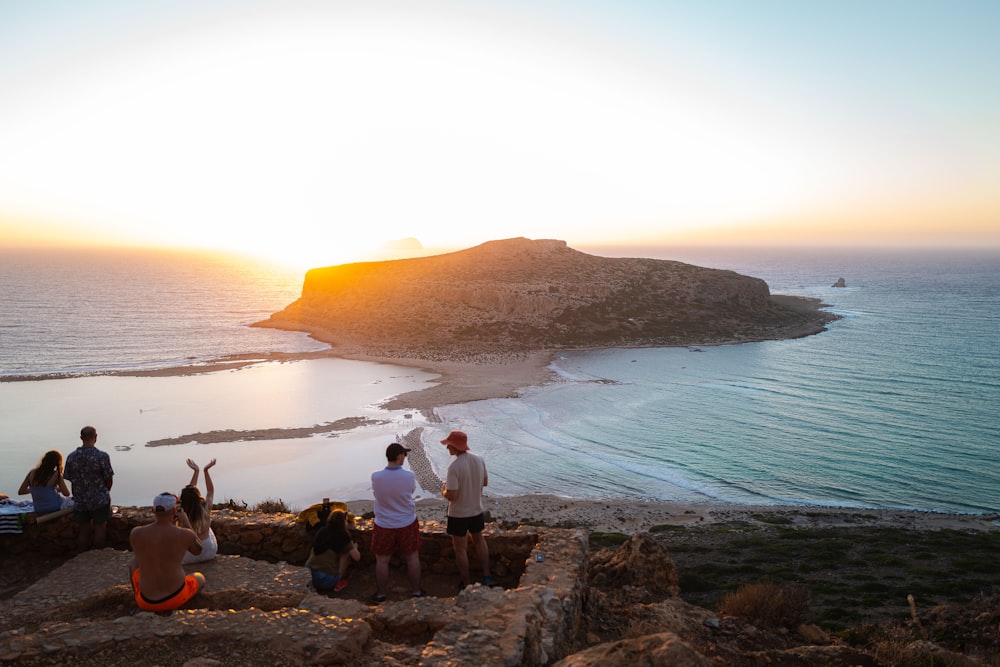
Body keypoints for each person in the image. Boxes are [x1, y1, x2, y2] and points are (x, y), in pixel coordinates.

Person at [128, 492, 205, 613]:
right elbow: (198, 550)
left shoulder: (136, 533)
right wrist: (186, 524)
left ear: (153, 510)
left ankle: (138, 602)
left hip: (145, 601)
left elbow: (139, 560)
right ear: (175, 511)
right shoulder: (185, 534)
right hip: (176, 597)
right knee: (200, 577)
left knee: (133, 563)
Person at [369, 442, 423, 602]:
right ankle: (416, 591)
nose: (405, 458)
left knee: (382, 561)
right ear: (399, 456)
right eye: (404, 455)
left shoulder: (376, 477)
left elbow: (376, 492)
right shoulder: (409, 476)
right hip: (406, 522)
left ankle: (381, 594)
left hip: (384, 524)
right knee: (412, 558)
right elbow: (411, 491)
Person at [440, 430, 493, 588]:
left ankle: (467, 582)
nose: (447, 448)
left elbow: (451, 495)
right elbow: (484, 482)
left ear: (455, 447)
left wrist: (443, 489)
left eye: (449, 445)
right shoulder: (479, 459)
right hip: (476, 510)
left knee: (461, 550)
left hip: (458, 514)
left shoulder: (454, 467)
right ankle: (487, 576)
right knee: (479, 541)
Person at [63, 425, 114, 551]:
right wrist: (104, 491)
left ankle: (81, 558)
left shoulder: (71, 457)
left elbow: (68, 477)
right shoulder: (102, 456)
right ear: (96, 437)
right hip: (99, 499)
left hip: (80, 500)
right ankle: (97, 559)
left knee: (83, 531)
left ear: (81, 438)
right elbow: (109, 479)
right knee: (100, 530)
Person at [305, 507, 361, 593]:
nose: (346, 523)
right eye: (346, 521)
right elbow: (356, 557)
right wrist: (354, 547)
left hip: (307, 575)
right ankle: (338, 581)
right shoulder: (343, 535)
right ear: (342, 522)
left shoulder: (322, 531)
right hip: (325, 581)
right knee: (346, 553)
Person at [179, 458, 218, 564]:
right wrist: (206, 471)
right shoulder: (205, 509)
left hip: (189, 556)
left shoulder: (180, 512)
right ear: (198, 498)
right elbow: (210, 490)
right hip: (209, 552)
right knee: (208, 530)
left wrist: (196, 472)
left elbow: (189, 495)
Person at [18, 450, 71, 514]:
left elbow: (21, 491)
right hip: (55, 507)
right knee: (74, 502)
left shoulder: (31, 473)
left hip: (38, 509)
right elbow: (67, 493)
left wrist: (37, 489)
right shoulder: (56, 475)